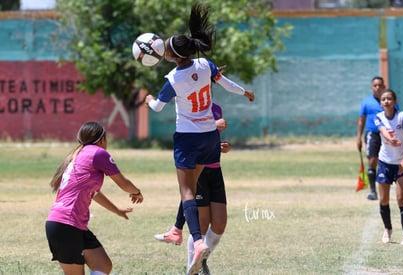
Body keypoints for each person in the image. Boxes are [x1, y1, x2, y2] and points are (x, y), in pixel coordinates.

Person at [144, 3, 254, 274]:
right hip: (209, 138)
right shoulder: (205, 65)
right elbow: (226, 83)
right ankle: (175, 230)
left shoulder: (172, 79)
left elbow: (158, 107)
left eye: (167, 49)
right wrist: (244, 93)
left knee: (187, 191)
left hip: (188, 138)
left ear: (172, 56)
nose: (165, 52)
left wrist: (148, 99)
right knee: (191, 187)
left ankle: (195, 241)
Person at [45, 121, 144, 275]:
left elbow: (93, 193)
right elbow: (122, 182)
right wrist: (136, 192)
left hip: (69, 224)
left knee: (103, 265)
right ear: (102, 139)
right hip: (66, 224)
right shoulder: (98, 153)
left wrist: (117, 210)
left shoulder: (79, 154)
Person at [154, 103, 230, 275]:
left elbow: (209, 140)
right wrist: (213, 126)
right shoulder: (191, 104)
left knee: (219, 223)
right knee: (202, 224)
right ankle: (193, 269)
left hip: (215, 169)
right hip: (198, 168)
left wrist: (222, 146)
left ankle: (200, 260)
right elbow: (190, 134)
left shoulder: (217, 107)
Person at [374, 89, 403, 245]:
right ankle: (388, 229)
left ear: (394, 101)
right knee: (383, 199)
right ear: (381, 102)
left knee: (401, 198)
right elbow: (383, 130)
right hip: (384, 163)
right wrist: (390, 138)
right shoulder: (378, 117)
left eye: (389, 99)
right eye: (384, 99)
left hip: (401, 163)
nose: (386, 101)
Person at [356, 76, 386, 200]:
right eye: (375, 85)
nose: (377, 87)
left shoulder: (388, 101)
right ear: (372, 87)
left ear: (384, 86)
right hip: (372, 134)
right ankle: (373, 191)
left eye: (380, 85)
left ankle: (387, 188)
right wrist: (358, 137)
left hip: (386, 135)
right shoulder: (366, 102)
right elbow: (361, 120)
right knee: (372, 161)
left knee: (386, 162)